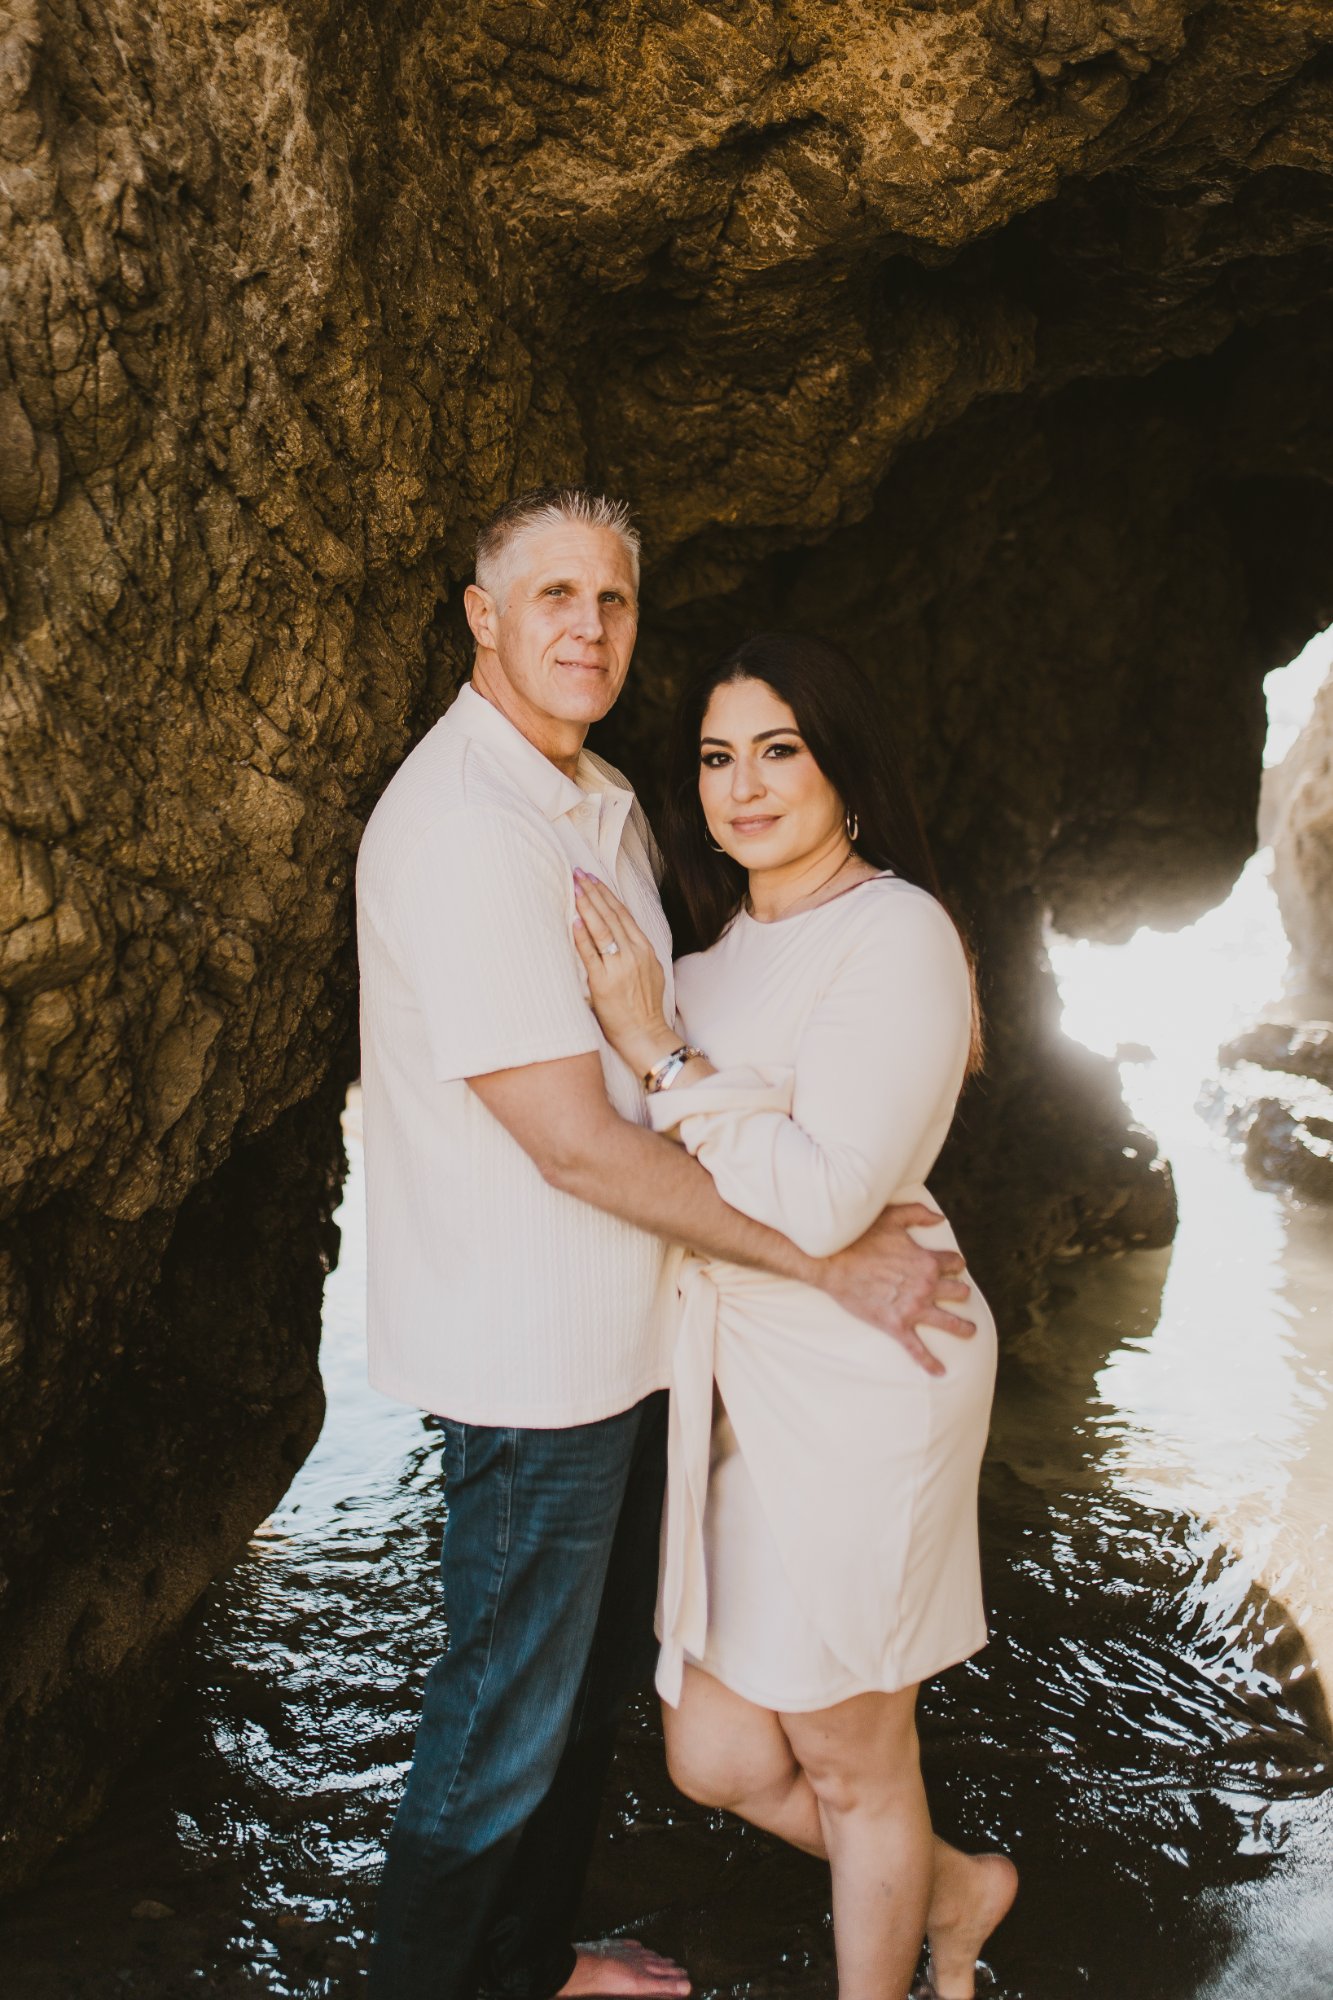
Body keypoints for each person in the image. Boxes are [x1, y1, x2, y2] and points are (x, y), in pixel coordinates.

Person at [355, 489, 978, 2000]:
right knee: (499, 1716)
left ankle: (528, 1967)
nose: (586, 625)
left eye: (613, 600)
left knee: (561, 1714)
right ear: (479, 615)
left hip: (653, 1352)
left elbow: (711, 1057)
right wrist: (826, 1261)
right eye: (550, 593)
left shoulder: (608, 804)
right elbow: (575, 1133)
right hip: (535, 1354)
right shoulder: (464, 825)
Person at [570, 633, 1018, 2000]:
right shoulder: (700, 969)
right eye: (716, 757)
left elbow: (824, 1200)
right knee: (713, 1753)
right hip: (737, 1378)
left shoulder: (894, 932)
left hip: (871, 1374)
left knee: (850, 1757)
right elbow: (662, 1175)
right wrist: (666, 1046)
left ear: (843, 768)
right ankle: (952, 1886)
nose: (743, 785)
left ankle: (898, 1947)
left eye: (779, 750)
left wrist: (662, 1054)